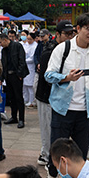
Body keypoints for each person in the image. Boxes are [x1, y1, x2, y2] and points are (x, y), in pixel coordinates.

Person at [44, 14, 89, 178]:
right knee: (57, 146)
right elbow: (48, 75)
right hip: (63, 109)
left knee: (80, 152)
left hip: (84, 111)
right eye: (88, 29)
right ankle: (52, 175)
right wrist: (66, 78)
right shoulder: (63, 48)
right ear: (78, 29)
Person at [36, 21, 74, 169]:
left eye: (72, 34)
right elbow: (47, 78)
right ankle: (46, 156)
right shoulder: (50, 51)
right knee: (48, 128)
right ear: (57, 34)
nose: (70, 36)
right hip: (47, 97)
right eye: (66, 34)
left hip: (61, 96)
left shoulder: (69, 49)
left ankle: (53, 154)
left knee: (57, 129)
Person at [0, 32, 28, 128]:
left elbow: (22, 61)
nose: (0, 44)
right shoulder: (3, 51)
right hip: (8, 76)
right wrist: (1, 78)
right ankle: (14, 117)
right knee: (11, 98)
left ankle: (21, 119)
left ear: (5, 40)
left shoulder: (17, 46)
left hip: (16, 75)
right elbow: (3, 65)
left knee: (18, 97)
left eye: (0, 42)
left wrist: (20, 74)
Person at [22, 32, 38, 107]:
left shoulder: (35, 46)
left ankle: (31, 100)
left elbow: (32, 58)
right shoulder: (26, 45)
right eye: (27, 39)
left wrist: (24, 61)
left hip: (31, 67)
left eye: (30, 39)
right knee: (25, 85)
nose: (28, 40)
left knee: (30, 85)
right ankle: (26, 99)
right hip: (25, 66)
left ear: (34, 39)